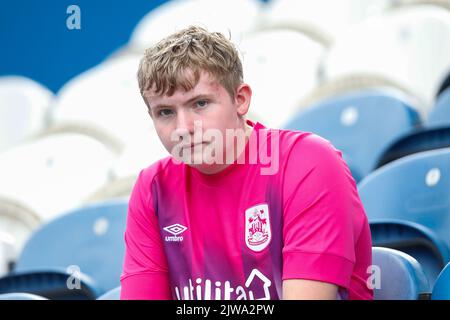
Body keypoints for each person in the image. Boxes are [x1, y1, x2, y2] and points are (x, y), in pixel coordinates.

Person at [120, 25, 373, 300]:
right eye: (165, 112)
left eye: (200, 104)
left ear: (240, 100)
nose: (183, 128)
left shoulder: (307, 163)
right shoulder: (152, 188)